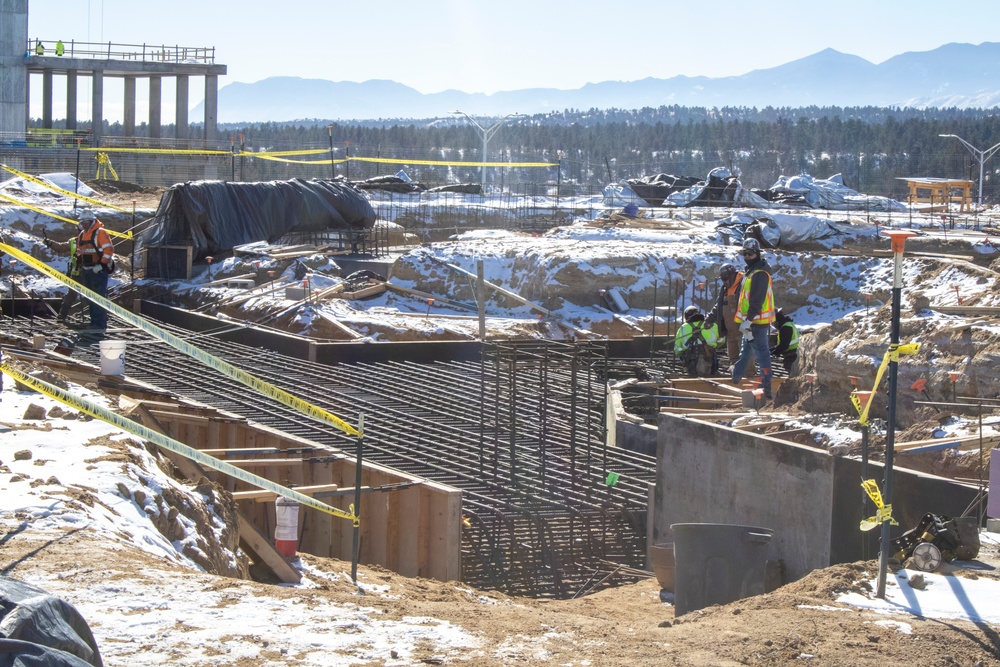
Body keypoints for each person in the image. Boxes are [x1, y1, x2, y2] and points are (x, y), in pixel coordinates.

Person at [730, 237, 777, 398]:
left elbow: (757, 299)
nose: (746, 257)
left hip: (757, 322)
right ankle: (736, 374)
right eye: (744, 253)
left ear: (756, 253)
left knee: (762, 354)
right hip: (750, 322)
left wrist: (749, 319)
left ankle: (766, 387)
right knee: (746, 352)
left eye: (749, 254)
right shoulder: (750, 271)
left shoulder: (760, 273)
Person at [74, 209, 115, 332]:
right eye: (82, 222)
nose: (84, 224)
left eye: (86, 222)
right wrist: (78, 259)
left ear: (92, 221)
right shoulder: (82, 234)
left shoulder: (100, 233)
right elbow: (80, 250)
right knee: (90, 297)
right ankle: (94, 321)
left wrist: (101, 265)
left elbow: (109, 251)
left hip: (98, 271)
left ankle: (100, 323)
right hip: (87, 270)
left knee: (99, 297)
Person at [705, 262, 744, 367]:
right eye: (722, 279)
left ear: (732, 275)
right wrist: (709, 319)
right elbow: (719, 306)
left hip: (743, 329)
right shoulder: (724, 290)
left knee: (745, 358)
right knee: (733, 358)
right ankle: (736, 379)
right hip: (730, 331)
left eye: (726, 278)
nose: (724, 281)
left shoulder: (743, 286)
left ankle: (748, 376)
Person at [43, 231, 82, 322]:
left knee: (93, 296)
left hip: (90, 273)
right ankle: (62, 315)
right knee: (71, 294)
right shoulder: (74, 241)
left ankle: (99, 317)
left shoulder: (93, 241)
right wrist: (50, 243)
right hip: (77, 273)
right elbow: (61, 248)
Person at [674, 305, 719, 377]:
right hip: (710, 361)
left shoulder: (683, 328)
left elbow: (677, 349)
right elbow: (722, 341)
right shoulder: (712, 325)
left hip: (692, 364)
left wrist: (682, 353)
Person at [770, 309, 800, 376]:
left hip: (792, 357)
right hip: (794, 354)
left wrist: (775, 352)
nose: (774, 325)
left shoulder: (786, 328)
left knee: (792, 377)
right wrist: (773, 349)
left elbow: (784, 345)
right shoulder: (788, 324)